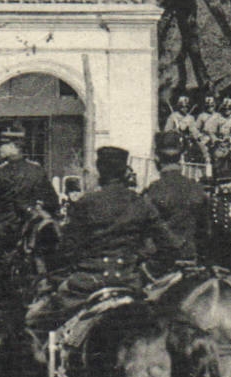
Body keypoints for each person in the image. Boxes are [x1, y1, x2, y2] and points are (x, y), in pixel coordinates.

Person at [25, 146, 185, 331]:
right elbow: (172, 246)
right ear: (125, 171)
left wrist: (56, 277)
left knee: (34, 321)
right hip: (128, 283)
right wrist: (146, 271)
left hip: (85, 285)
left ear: (99, 170)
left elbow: (66, 251)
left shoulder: (86, 203)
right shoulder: (142, 203)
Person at [141, 131, 211, 264]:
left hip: (160, 263)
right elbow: (206, 231)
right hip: (190, 261)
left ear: (157, 160)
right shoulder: (197, 188)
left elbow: (145, 234)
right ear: (181, 158)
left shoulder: (153, 191)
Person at [0, 125, 59, 246]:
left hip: (4, 230)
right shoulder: (37, 170)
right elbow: (52, 201)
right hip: (31, 227)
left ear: (14, 147)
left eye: (2, 145)